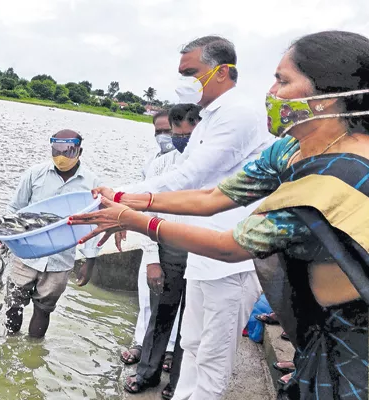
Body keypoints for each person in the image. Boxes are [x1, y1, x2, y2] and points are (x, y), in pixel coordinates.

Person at [69, 30, 369, 399]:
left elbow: (230, 245)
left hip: (354, 336)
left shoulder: (339, 176)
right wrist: (127, 199)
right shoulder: (291, 150)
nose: (272, 92)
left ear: (327, 98)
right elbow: (213, 195)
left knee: (213, 360)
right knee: (194, 344)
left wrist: (137, 221)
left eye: (283, 80)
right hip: (312, 326)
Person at [113, 36, 274, 399]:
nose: (183, 80)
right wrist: (115, 194)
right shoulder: (208, 119)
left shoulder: (239, 113)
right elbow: (178, 173)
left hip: (229, 263)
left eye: (191, 72)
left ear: (223, 72)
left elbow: (192, 180)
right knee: (192, 343)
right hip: (201, 259)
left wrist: (123, 201)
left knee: (212, 362)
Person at [124, 104, 202, 399]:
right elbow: (148, 214)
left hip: (201, 248)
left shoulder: (213, 163)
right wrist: (152, 259)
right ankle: (147, 372)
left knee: (191, 322)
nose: (180, 138)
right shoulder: (159, 166)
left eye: (187, 133)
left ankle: (179, 380)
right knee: (159, 315)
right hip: (167, 248)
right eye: (175, 132)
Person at [0, 129, 102, 338]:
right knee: (14, 303)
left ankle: (34, 347)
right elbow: (14, 208)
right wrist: (0, 243)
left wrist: (90, 261)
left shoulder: (90, 182)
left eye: (68, 150)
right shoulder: (36, 173)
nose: (61, 155)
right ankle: (11, 345)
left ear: (80, 150)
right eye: (57, 149)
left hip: (60, 259)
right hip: (26, 253)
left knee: (44, 309)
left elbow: (93, 223)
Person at [121, 109, 180, 366]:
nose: (163, 136)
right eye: (159, 131)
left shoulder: (188, 161)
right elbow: (142, 200)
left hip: (179, 238)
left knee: (173, 301)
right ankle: (139, 343)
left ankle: (168, 349)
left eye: (168, 130)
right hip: (151, 235)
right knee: (146, 296)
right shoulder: (153, 162)